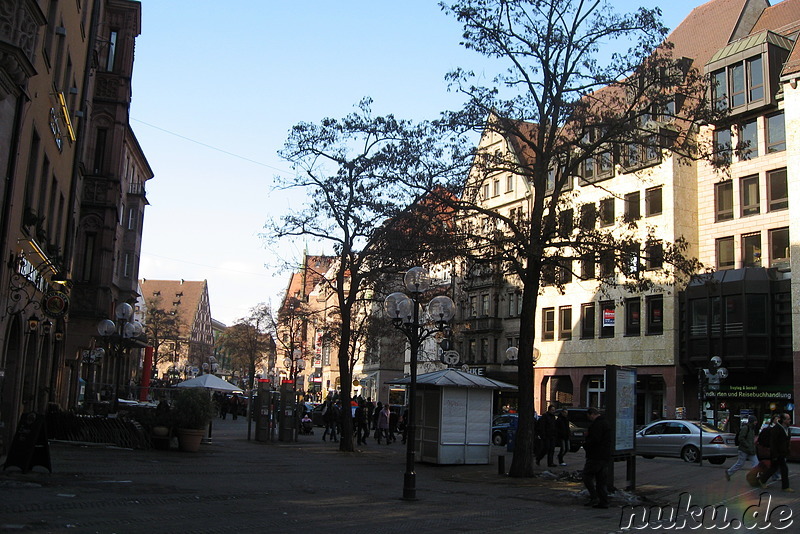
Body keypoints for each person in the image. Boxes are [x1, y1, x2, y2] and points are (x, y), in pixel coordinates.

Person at [583, 407, 612, 509]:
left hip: (595, 455)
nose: (589, 418)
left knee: (587, 476)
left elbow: (595, 440)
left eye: (589, 416)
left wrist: (586, 444)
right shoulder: (605, 423)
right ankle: (604, 501)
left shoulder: (597, 425)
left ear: (592, 414)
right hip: (604, 455)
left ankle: (594, 497)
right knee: (601, 480)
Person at [757, 412, 794, 492]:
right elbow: (773, 442)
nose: (789, 421)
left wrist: (787, 451)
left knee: (773, 468)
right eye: (788, 419)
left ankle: (762, 480)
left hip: (782, 453)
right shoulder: (777, 428)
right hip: (777, 453)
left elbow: (786, 441)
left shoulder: (787, 428)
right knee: (784, 469)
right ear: (783, 420)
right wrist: (774, 454)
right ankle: (785, 487)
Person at [725, 415, 758, 481]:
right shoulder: (746, 428)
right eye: (755, 421)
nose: (756, 423)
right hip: (744, 449)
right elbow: (741, 438)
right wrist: (748, 445)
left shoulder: (751, 429)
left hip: (749, 449)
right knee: (740, 463)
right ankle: (729, 472)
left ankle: (755, 476)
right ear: (752, 421)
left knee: (755, 463)